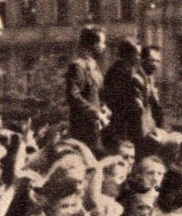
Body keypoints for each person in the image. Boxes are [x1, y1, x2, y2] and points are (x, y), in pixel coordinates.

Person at [65, 25, 111, 155]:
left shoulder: (95, 68)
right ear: (92, 45)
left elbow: (98, 95)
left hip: (97, 128)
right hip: (83, 130)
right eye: (102, 43)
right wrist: (95, 113)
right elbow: (73, 96)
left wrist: (104, 108)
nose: (104, 46)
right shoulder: (78, 66)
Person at [103, 37, 152, 149]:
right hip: (124, 124)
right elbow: (114, 98)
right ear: (126, 54)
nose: (139, 58)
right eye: (137, 54)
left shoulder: (136, 69)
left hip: (138, 121)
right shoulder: (117, 71)